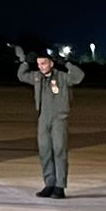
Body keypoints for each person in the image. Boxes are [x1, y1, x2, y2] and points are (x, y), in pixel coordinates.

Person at [14, 46, 84, 197]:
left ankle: (60, 186)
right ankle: (49, 183)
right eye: (39, 64)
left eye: (44, 63)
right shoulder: (37, 77)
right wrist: (26, 62)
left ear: (51, 63)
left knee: (59, 150)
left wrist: (67, 63)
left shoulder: (62, 77)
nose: (41, 67)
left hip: (59, 118)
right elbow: (21, 76)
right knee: (45, 151)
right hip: (43, 119)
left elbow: (79, 76)